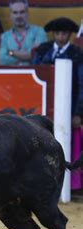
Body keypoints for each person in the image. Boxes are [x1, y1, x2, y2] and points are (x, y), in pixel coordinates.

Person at [33, 17, 83, 191]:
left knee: (69, 142)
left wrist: (78, 112)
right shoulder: (43, 50)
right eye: (58, 33)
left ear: (69, 35)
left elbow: (81, 84)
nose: (60, 37)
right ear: (53, 34)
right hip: (45, 105)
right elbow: (34, 73)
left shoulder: (77, 53)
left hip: (68, 108)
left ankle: (73, 185)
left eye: (64, 34)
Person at [0, 0, 46, 66]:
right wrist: (26, 57)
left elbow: (36, 55)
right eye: (15, 13)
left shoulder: (39, 32)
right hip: (12, 74)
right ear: (10, 15)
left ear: (27, 13)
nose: (19, 16)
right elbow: (2, 60)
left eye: (22, 12)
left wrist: (11, 52)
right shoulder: (5, 36)